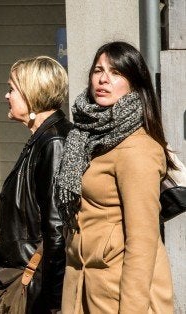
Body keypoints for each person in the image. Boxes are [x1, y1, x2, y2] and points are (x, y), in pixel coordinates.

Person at [56, 41, 175, 313]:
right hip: (81, 287)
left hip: (118, 295)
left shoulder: (137, 150)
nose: (103, 79)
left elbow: (142, 244)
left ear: (134, 84)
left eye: (116, 73)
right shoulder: (84, 138)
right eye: (98, 70)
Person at [0, 56, 71, 313]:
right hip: (29, 279)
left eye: (12, 89)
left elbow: (57, 230)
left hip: (36, 287)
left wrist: (50, 303)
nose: (6, 95)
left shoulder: (54, 142)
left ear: (32, 95)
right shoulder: (41, 139)